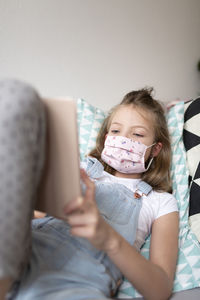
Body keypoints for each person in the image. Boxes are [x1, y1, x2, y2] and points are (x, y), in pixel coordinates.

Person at [0, 79, 179, 300]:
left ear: (155, 149)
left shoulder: (161, 201)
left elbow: (160, 289)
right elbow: (35, 216)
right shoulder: (82, 169)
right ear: (106, 138)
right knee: (16, 95)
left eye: (138, 134)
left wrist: (109, 239)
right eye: (116, 130)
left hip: (78, 280)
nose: (123, 139)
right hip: (27, 248)